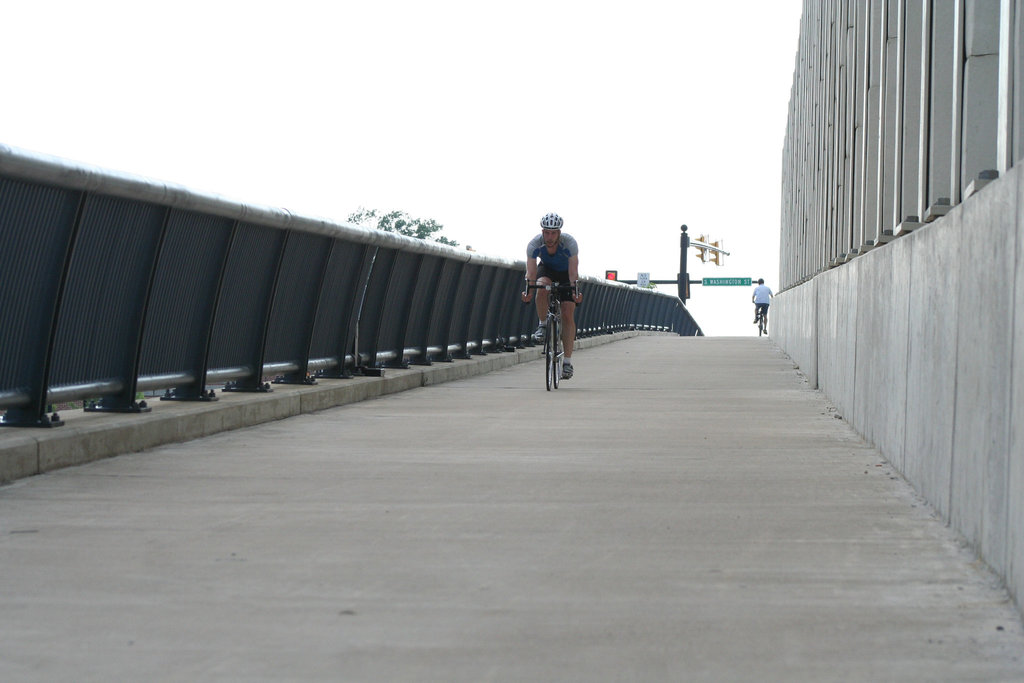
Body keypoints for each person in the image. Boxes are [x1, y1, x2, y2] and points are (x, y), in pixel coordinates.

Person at [521, 212, 583, 379]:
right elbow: (531, 272)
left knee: (567, 313)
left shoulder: (569, 243)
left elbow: (573, 271)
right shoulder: (534, 245)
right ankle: (542, 325)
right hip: (546, 270)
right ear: (542, 232)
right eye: (547, 233)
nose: (550, 237)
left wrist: (574, 292)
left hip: (566, 274)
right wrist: (529, 292)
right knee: (541, 287)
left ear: (559, 233)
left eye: (553, 233)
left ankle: (567, 363)